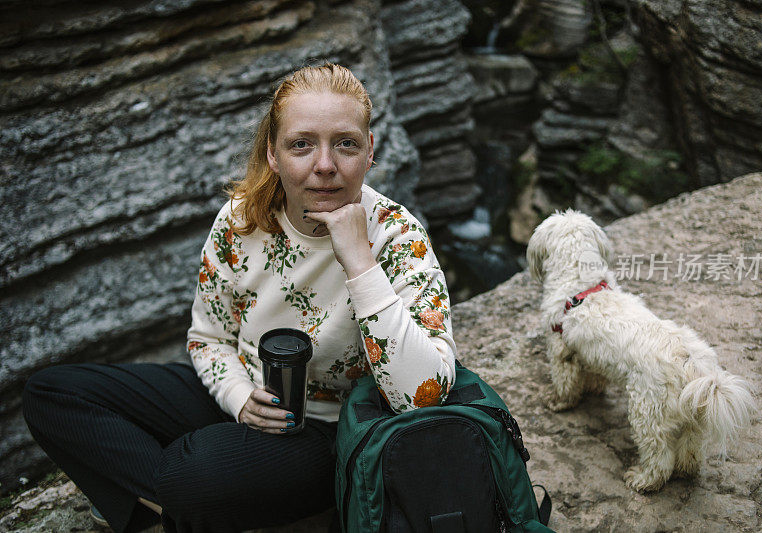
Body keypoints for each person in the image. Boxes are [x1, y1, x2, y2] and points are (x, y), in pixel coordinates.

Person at [22, 62, 457, 532]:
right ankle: (172, 512)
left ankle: (164, 502)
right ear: (274, 154)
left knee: (193, 472)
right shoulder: (242, 220)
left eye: (346, 143)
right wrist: (237, 396)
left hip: (330, 431)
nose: (325, 165)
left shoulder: (397, 235)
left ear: (370, 150)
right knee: (52, 394)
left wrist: (359, 263)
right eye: (302, 144)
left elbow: (422, 396)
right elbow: (207, 338)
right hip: (246, 391)